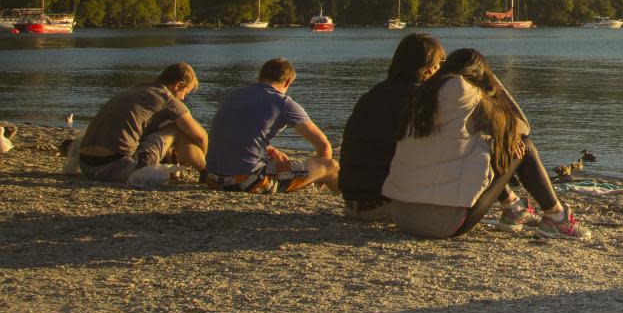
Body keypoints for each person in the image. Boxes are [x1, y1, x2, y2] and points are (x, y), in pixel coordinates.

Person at [383, 48, 590, 240]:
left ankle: (513, 207)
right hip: (442, 223)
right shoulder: (463, 90)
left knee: (485, 145)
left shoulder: (421, 95)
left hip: (402, 214)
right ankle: (556, 216)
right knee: (523, 146)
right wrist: (494, 85)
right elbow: (522, 127)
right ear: (477, 76)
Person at [339, 33, 445, 221]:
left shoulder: (372, 95)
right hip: (385, 205)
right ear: (429, 69)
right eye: (439, 65)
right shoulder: (419, 100)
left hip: (352, 203)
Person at [203, 58, 338, 193]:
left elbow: (240, 133)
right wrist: (318, 175)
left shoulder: (234, 95)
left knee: (277, 161)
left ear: (260, 77)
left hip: (213, 179)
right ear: (287, 82)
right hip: (246, 181)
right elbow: (323, 146)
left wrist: (272, 151)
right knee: (330, 166)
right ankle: (346, 200)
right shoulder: (283, 103)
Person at [77, 63, 208, 183]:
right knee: (177, 129)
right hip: (115, 168)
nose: (183, 98)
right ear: (178, 85)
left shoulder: (137, 89)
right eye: (185, 92)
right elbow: (200, 137)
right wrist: (202, 159)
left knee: (157, 130)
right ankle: (206, 172)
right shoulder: (166, 98)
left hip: (86, 165)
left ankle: (181, 166)